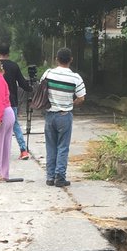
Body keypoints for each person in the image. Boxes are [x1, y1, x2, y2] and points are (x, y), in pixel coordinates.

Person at [41, 47, 86, 187]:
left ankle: (50, 177)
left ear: (56, 59)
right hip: (65, 115)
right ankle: (60, 177)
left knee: (51, 146)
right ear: (71, 60)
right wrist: (71, 103)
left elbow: (41, 89)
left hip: (50, 115)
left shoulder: (48, 73)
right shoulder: (75, 77)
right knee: (63, 147)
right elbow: (81, 98)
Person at [0, 43, 32, 161]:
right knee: (15, 125)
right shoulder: (14, 66)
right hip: (10, 103)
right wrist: (30, 88)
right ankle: (23, 150)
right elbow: (22, 83)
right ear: (9, 53)